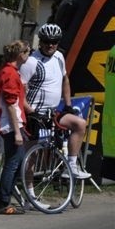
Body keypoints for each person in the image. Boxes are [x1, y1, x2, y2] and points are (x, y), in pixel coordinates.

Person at [20, 23, 91, 183]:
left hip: (52, 112)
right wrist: (30, 111)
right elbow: (20, 91)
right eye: (46, 41)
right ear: (41, 41)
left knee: (80, 124)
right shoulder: (32, 62)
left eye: (54, 41)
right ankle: (29, 194)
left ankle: (70, 167)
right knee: (31, 155)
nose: (50, 45)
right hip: (34, 114)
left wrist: (67, 105)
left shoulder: (59, 56)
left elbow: (65, 80)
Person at [0, 40, 33, 215]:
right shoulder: (10, 73)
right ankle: (3, 202)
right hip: (9, 124)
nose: (29, 55)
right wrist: (17, 131)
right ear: (20, 54)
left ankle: (6, 196)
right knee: (13, 162)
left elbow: (16, 100)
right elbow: (10, 105)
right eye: (27, 52)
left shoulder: (11, 72)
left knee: (19, 160)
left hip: (12, 123)